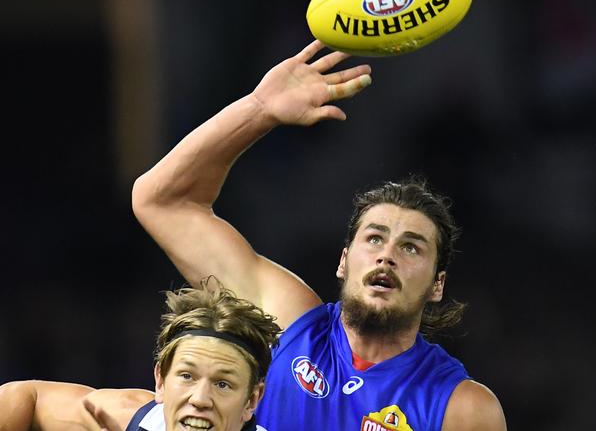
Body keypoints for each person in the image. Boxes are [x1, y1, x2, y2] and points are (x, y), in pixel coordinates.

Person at [132, 40, 507, 430]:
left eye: (411, 247)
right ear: (344, 260)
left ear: (437, 284)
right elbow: (161, 202)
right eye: (374, 238)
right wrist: (259, 111)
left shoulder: (462, 408)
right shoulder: (288, 323)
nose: (387, 255)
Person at [0, 279, 281, 431]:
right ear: (160, 381)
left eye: (223, 384)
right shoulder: (130, 418)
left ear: (252, 400)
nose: (199, 399)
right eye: (186, 376)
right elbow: (27, 398)